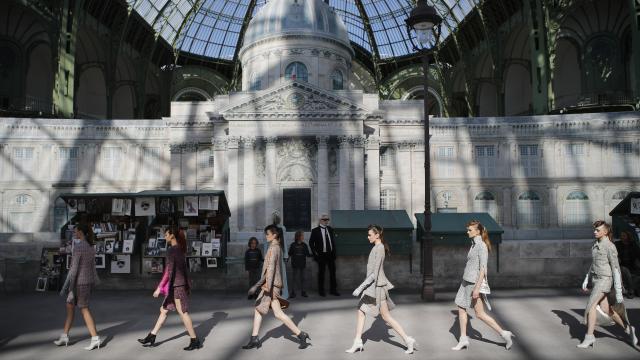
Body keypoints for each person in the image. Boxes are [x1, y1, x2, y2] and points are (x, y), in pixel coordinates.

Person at [346, 224, 415, 353]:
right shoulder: (376, 248)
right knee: (361, 311)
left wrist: (360, 288)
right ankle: (357, 342)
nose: (368, 237)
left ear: (377, 235)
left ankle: (407, 340)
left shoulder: (380, 248)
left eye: (369, 235)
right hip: (372, 288)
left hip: (377, 288)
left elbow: (375, 273)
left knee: (386, 317)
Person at [242, 225, 311, 350]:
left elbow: (271, 269)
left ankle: (301, 335)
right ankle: (255, 338)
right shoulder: (276, 247)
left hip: (270, 285)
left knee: (275, 313)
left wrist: (257, 286)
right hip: (271, 284)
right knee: (263, 310)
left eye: (267, 234)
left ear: (274, 235)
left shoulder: (274, 248)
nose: (266, 236)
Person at [451, 220, 514, 351]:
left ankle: (504, 333)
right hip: (465, 281)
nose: (467, 232)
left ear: (478, 231)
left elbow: (483, 269)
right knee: (461, 309)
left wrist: (477, 288)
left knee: (479, 314)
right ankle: (463, 339)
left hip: (473, 283)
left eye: (470, 230)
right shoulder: (473, 244)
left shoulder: (481, 246)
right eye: (467, 230)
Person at [138, 227, 202, 351]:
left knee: (183, 313)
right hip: (178, 285)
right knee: (164, 310)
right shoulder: (180, 249)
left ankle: (195, 340)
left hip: (177, 286)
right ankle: (152, 336)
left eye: (166, 234)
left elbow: (168, 271)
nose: (165, 237)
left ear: (172, 235)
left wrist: (159, 288)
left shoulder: (172, 250)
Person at [577, 220, 637, 349]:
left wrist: (619, 291)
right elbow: (594, 263)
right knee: (606, 309)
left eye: (598, 230)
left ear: (605, 232)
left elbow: (615, 268)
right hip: (596, 279)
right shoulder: (595, 244)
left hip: (605, 279)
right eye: (594, 229)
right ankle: (628, 329)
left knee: (591, 306)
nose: (595, 232)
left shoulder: (610, 246)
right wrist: (587, 278)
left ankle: (589, 336)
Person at [54, 223, 101, 350]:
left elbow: (73, 269)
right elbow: (92, 267)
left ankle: (95, 338)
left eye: (75, 231)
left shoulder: (79, 247)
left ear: (80, 232)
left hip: (78, 284)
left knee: (84, 309)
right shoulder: (91, 247)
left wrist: (67, 288)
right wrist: (95, 281)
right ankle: (64, 336)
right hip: (85, 282)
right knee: (70, 307)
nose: (74, 233)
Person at [309, 214, 339, 296]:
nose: (326, 221)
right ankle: (321, 291)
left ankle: (333, 290)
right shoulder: (315, 231)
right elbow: (311, 243)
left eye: (327, 219)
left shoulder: (330, 229)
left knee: (333, 273)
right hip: (321, 255)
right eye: (325, 220)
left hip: (330, 255)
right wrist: (315, 254)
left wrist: (334, 253)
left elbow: (332, 241)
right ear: (320, 221)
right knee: (321, 273)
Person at [615, 230, 640, 298]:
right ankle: (631, 291)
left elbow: (638, 254)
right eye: (621, 236)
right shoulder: (617, 244)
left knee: (636, 274)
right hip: (621, 266)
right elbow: (614, 255)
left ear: (628, 237)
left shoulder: (633, 245)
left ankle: (635, 289)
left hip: (632, 265)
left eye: (624, 235)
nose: (622, 237)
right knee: (626, 271)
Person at [288, 230, 312, 298]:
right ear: (298, 236)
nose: (303, 237)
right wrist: (286, 259)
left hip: (303, 264)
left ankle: (303, 291)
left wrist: (315, 255)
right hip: (295, 264)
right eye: (302, 235)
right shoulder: (293, 245)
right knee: (294, 278)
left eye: (303, 236)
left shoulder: (304, 245)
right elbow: (289, 253)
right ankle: (293, 292)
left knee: (303, 278)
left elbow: (307, 254)